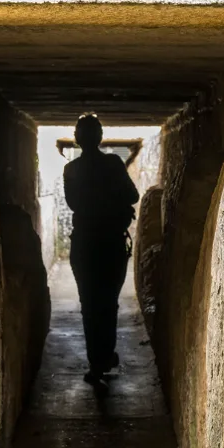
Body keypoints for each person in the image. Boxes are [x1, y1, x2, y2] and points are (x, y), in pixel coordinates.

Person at [63, 113, 140, 384]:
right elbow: (133, 195)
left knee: (89, 303)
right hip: (111, 242)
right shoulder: (113, 163)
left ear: (77, 138)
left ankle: (98, 361)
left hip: (84, 243)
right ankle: (105, 355)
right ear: (100, 136)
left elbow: (74, 204)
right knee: (108, 302)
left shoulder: (71, 170)